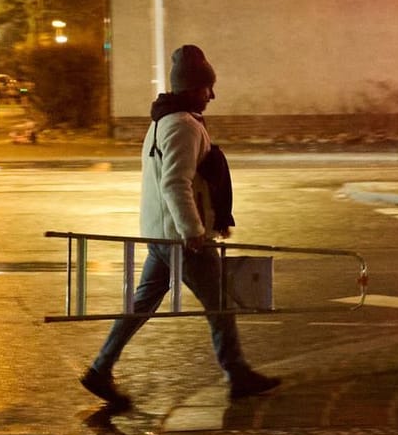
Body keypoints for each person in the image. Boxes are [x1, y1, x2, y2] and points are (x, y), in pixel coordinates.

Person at [81, 45, 280, 410]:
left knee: (142, 304)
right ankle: (237, 374)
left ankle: (100, 367)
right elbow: (175, 183)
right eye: (207, 88)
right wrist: (193, 231)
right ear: (191, 88)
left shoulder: (162, 121)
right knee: (219, 305)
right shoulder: (183, 126)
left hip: (161, 234)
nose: (212, 95)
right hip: (179, 237)